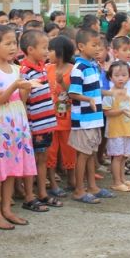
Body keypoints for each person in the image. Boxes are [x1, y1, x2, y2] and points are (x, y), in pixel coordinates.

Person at [0, 25, 36, 228]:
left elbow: (20, 98)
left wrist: (26, 88)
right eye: (8, 43)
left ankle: (7, 209)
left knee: (12, 167)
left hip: (16, 121)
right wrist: (14, 85)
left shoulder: (16, 69)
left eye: (15, 43)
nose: (13, 47)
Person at [69, 28, 114, 203]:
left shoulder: (93, 66)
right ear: (81, 46)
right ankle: (79, 190)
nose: (97, 49)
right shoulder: (79, 68)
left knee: (91, 154)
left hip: (93, 118)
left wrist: (111, 94)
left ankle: (92, 186)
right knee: (83, 155)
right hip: (83, 119)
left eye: (99, 46)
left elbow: (95, 90)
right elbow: (73, 93)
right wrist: (89, 99)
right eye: (93, 45)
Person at [19, 30, 61, 210]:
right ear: (30, 49)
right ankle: (29, 196)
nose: (47, 51)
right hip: (33, 125)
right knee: (31, 160)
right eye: (43, 48)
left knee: (43, 158)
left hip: (46, 123)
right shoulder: (25, 72)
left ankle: (42, 192)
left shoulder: (42, 67)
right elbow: (22, 100)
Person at [102, 61, 130, 192]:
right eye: (117, 75)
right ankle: (116, 182)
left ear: (129, 77)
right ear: (110, 77)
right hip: (115, 131)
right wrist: (121, 111)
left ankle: (123, 179)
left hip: (128, 129)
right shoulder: (110, 93)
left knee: (124, 156)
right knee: (117, 156)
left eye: (124, 75)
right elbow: (106, 112)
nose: (120, 78)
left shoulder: (128, 92)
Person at [46, 35, 77, 195]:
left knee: (69, 149)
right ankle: (52, 183)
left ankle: (72, 179)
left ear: (60, 52)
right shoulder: (47, 69)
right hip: (50, 119)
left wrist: (62, 83)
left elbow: (74, 94)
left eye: (50, 50)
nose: (47, 53)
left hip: (67, 118)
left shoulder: (73, 70)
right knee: (51, 151)